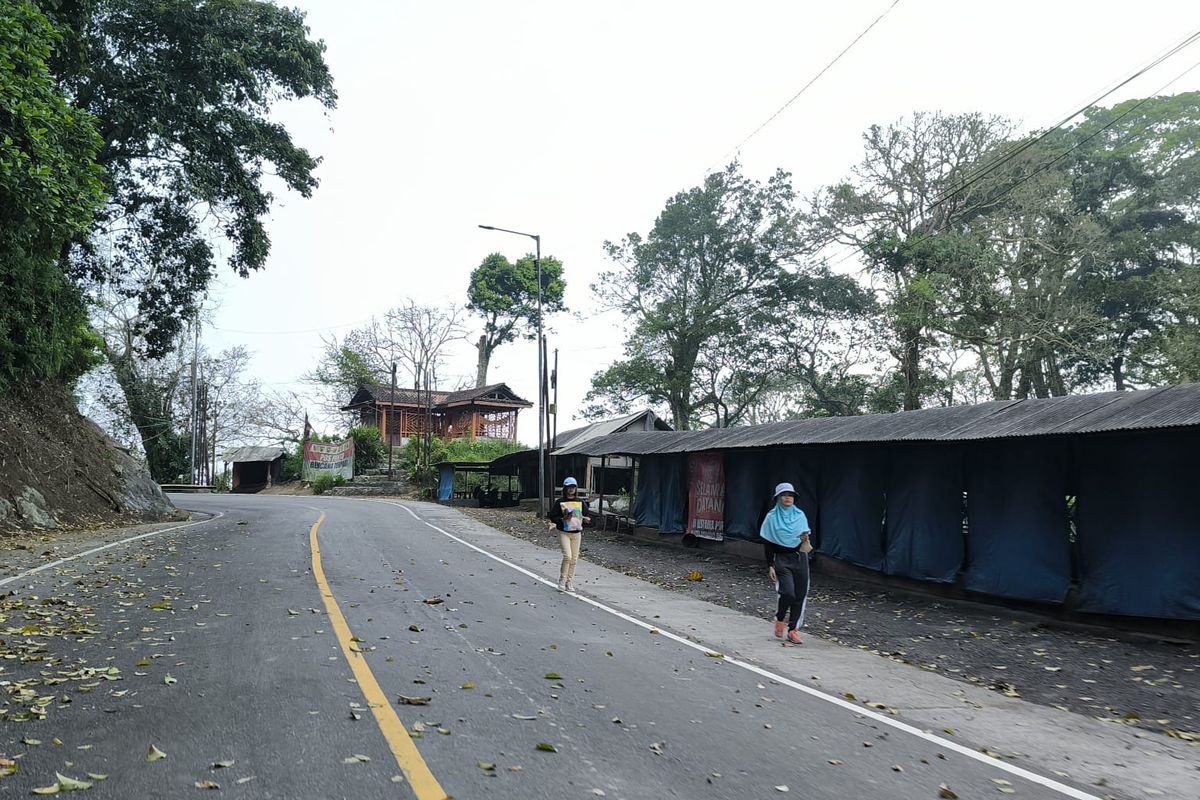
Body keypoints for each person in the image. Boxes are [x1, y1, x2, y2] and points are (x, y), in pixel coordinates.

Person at [760, 482, 811, 644]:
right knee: (788, 593)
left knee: (800, 595)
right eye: (784, 495)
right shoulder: (771, 517)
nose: (787, 498)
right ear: (778, 498)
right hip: (782, 559)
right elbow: (768, 543)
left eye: (790, 495)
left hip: (800, 558)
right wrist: (770, 565)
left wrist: (805, 540)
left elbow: (805, 540)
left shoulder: (800, 515)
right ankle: (780, 617)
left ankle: (793, 630)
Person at [548, 476, 590, 592]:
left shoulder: (580, 502)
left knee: (574, 559)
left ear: (576, 488)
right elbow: (552, 516)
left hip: (576, 533)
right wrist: (562, 518)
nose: (571, 489)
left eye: (573, 487)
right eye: (569, 487)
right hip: (564, 532)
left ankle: (569, 581)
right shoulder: (560, 502)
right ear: (565, 488)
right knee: (568, 556)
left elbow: (586, 514)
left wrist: (585, 519)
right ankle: (562, 579)